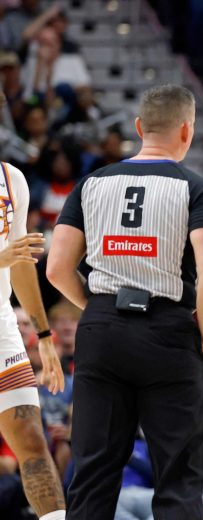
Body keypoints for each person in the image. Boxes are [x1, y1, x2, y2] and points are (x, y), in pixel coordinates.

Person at [47, 84, 203, 519]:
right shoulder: (196, 188)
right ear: (187, 130)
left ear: (138, 127)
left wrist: (96, 305)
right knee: (179, 478)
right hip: (169, 330)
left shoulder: (91, 183)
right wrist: (202, 341)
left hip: (102, 329)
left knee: (92, 472)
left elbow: (56, 269)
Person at [0, 158, 67, 520]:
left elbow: (20, 260)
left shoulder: (11, 179)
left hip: (2, 332)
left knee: (31, 441)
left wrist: (43, 335)